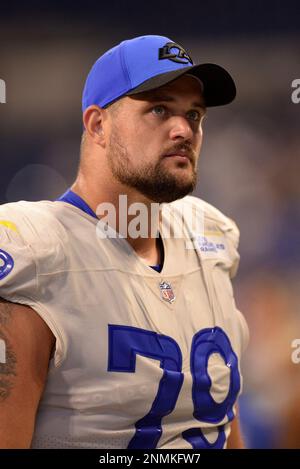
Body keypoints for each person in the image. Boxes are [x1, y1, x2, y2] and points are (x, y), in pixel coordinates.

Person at [0, 35, 248, 449]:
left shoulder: (211, 237)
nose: (184, 129)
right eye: (159, 109)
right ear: (98, 125)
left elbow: (221, 421)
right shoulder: (37, 254)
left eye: (195, 115)